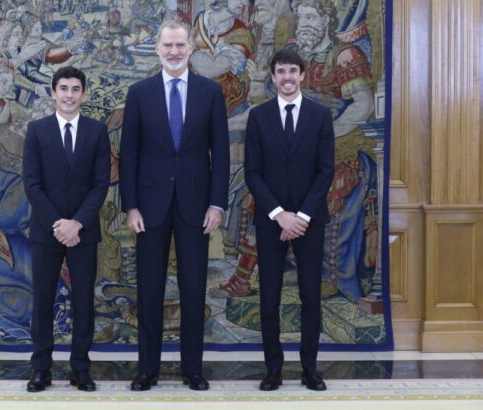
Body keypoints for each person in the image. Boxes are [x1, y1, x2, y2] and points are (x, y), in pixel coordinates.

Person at [119, 18, 230, 391]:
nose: (174, 51)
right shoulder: (139, 93)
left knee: (194, 288)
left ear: (191, 48)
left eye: (180, 45)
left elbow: (221, 154)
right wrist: (131, 207)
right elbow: (129, 154)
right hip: (148, 207)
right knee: (149, 288)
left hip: (197, 206)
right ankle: (147, 370)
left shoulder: (210, 92)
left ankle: (192, 369)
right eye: (167, 45)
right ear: (157, 49)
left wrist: (217, 204)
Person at [245, 49, 334, 391]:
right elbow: (253, 172)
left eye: (292, 71)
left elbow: (325, 171)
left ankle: (310, 370)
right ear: (272, 76)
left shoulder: (320, 115)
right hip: (271, 221)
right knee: (270, 298)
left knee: (311, 296)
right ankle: (274, 370)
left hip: (310, 221)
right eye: (280, 71)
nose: (287, 77)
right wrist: (280, 215)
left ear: (302, 75)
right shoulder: (258, 116)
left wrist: (301, 217)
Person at [23, 66, 111, 393]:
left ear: (83, 94)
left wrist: (77, 223)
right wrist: (59, 225)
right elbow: (32, 184)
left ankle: (80, 369)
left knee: (83, 301)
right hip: (46, 231)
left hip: (83, 231)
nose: (69, 95)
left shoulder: (97, 131)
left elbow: (100, 184)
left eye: (75, 89)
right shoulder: (37, 130)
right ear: (53, 93)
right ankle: (41, 369)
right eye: (64, 88)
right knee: (43, 300)